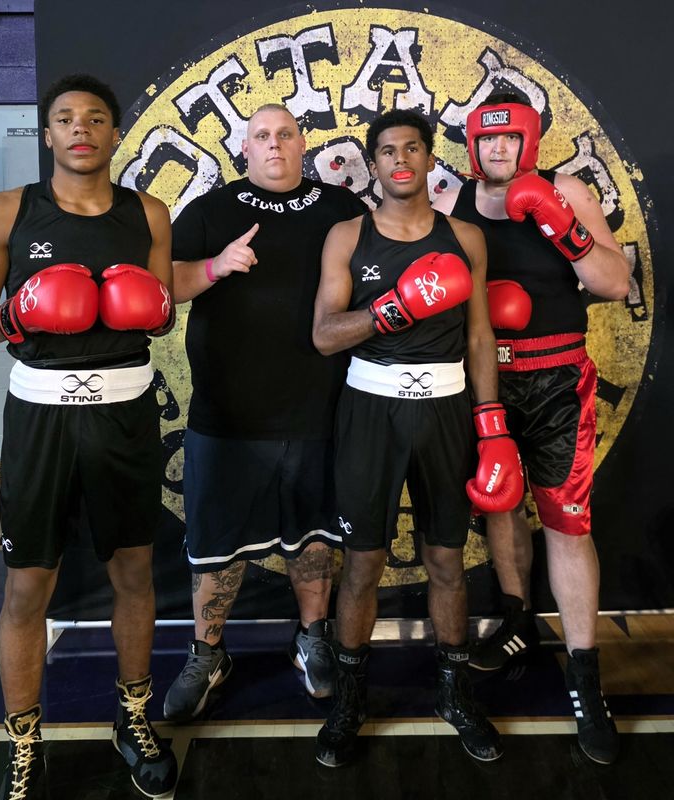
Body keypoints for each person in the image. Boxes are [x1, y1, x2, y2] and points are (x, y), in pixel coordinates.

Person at [0, 74, 178, 799]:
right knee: (28, 587)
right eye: (64, 119)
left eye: (95, 119)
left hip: (125, 414)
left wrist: (147, 307)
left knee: (134, 574)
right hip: (41, 418)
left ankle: (134, 717)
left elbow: (159, 314)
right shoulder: (3, 211)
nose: (80, 128)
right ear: (48, 134)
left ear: (116, 135)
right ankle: (24, 742)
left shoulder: (148, 211)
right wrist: (22, 314)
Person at [312, 108, 523, 768]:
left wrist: (491, 428)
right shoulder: (348, 236)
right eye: (387, 150)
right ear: (371, 165)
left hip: (447, 410)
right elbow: (323, 335)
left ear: (431, 160)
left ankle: (454, 695)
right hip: (370, 409)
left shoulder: (465, 238)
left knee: (445, 561)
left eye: (412, 148)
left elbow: (481, 336)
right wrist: (395, 306)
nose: (401, 159)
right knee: (364, 565)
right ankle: (350, 699)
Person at [432, 92, 630, 764]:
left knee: (568, 524)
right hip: (481, 383)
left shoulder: (565, 189)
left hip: (555, 382)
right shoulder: (448, 199)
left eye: (509, 140)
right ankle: (518, 620)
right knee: (499, 505)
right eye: (486, 141)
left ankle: (585, 681)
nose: (497, 152)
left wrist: (562, 227)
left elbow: (614, 279)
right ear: (470, 143)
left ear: (530, 142)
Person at [162, 104, 368, 720]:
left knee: (314, 538)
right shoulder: (212, 209)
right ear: (243, 148)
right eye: (261, 136)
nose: (274, 145)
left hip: (319, 409)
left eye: (284, 134)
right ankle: (208, 652)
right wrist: (215, 266)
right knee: (216, 549)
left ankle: (312, 637)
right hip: (228, 413)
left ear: (302, 144)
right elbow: (162, 286)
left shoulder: (342, 209)